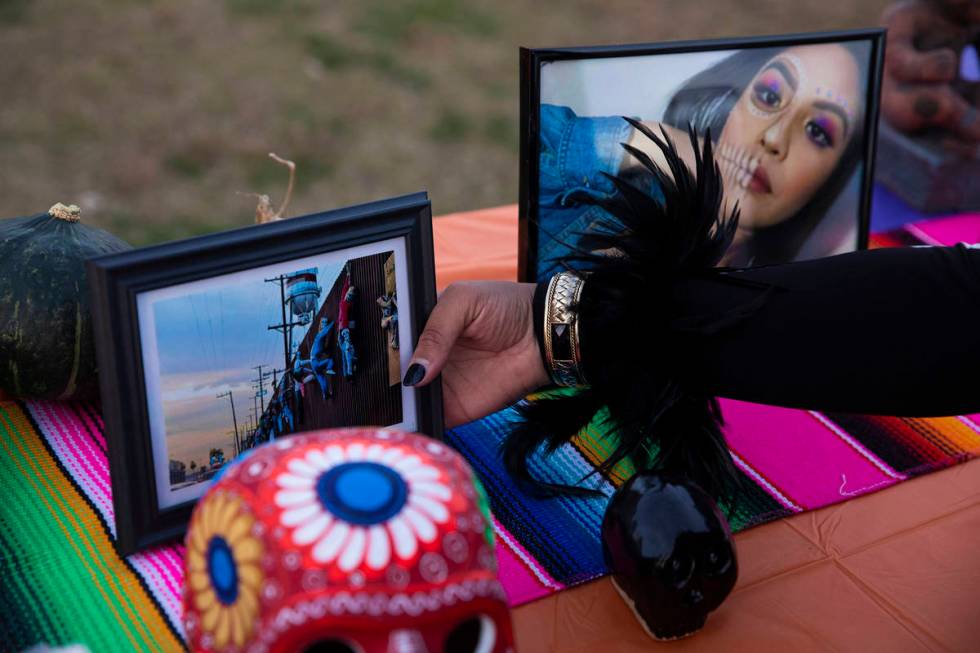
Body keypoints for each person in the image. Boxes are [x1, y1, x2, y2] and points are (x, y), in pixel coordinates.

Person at [538, 41, 868, 276]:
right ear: (734, 100)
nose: (773, 138)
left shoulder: (797, 297)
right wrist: (648, 141)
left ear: (833, 178)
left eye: (817, 131)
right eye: (769, 96)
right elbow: (535, 141)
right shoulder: (604, 198)